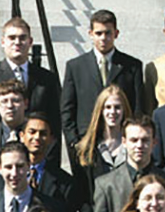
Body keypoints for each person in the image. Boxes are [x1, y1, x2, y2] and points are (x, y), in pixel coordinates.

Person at [61, 10, 144, 157]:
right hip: (86, 142)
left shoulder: (132, 66)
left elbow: (138, 107)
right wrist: (74, 141)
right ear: (90, 34)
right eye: (98, 33)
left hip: (121, 143)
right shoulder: (75, 67)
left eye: (108, 33)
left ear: (116, 33)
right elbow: (67, 108)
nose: (103, 38)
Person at [0, 16, 62, 138]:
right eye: (12, 38)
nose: (17, 42)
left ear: (30, 42)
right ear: (3, 42)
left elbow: (54, 123)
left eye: (22, 38)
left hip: (37, 150)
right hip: (0, 148)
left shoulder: (47, 79)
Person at [73, 85, 131, 193]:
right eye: (108, 107)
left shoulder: (133, 145)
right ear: (101, 111)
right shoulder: (87, 149)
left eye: (117, 107)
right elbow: (82, 192)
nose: (112, 112)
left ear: (124, 110)